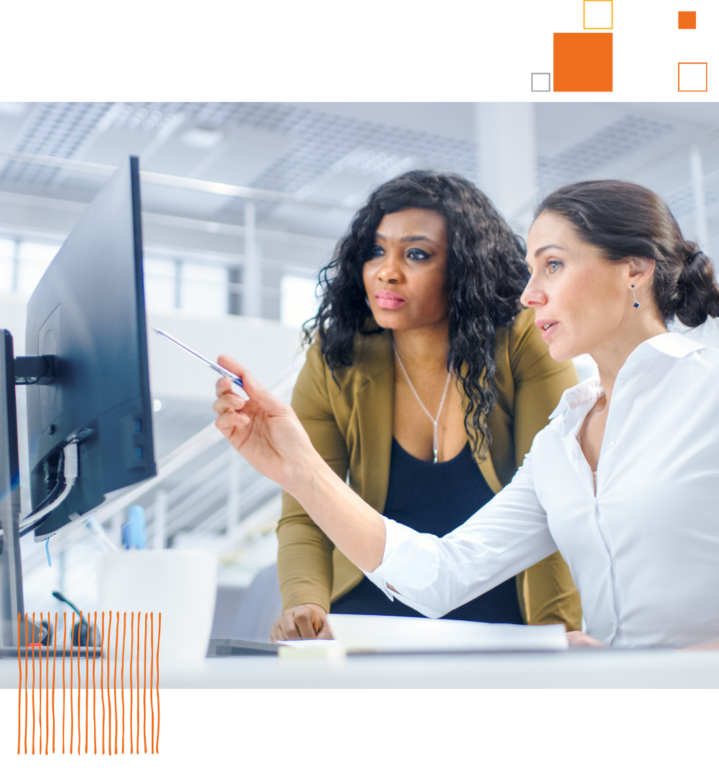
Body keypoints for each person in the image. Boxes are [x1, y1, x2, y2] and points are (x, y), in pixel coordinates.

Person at [214, 179, 719, 650]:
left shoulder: (707, 392)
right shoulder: (560, 443)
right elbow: (442, 577)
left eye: (554, 265)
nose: (529, 293)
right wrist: (299, 468)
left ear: (634, 269)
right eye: (532, 269)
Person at [268, 170, 581, 641]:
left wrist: (556, 631)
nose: (386, 271)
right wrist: (304, 600)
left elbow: (556, 503)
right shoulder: (336, 354)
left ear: (464, 266)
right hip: (371, 611)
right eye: (376, 250)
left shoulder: (523, 341)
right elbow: (306, 505)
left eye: (416, 254)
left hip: (502, 616)